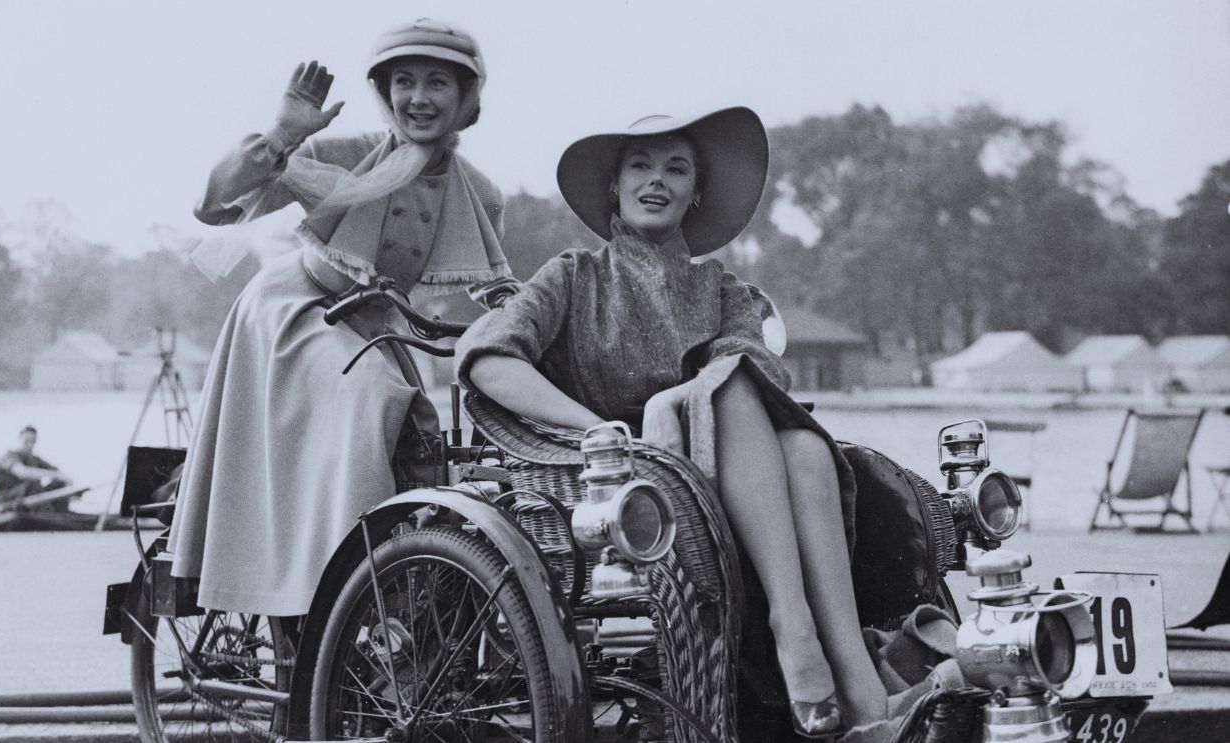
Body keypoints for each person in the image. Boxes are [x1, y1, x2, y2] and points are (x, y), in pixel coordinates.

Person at [455, 107, 895, 739]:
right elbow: (490, 360)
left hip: (728, 465)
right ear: (614, 185)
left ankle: (855, 672)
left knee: (796, 437)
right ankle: (795, 629)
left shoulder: (722, 289)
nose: (655, 180)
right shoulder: (573, 276)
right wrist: (598, 430)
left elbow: (760, 372)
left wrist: (675, 401)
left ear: (695, 194)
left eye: (676, 168)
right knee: (747, 401)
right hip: (618, 481)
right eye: (640, 165)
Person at [168, 18, 517, 618]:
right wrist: (282, 134)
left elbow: (499, 289)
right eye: (403, 82)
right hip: (294, 312)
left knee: (428, 430)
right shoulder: (344, 155)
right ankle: (336, 594)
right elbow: (213, 207)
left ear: (466, 97)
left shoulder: (478, 192)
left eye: (438, 83)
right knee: (374, 396)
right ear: (385, 93)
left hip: (375, 326)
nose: (419, 98)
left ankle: (404, 601)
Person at [0, 426, 72, 512]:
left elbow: (59, 473)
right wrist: (55, 474)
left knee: (59, 483)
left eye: (33, 441)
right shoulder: (8, 456)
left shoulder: (34, 459)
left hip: (28, 501)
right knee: (32, 483)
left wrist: (66, 481)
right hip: (8, 503)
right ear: (20, 439)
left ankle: (59, 514)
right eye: (27, 441)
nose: (30, 445)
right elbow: (22, 472)